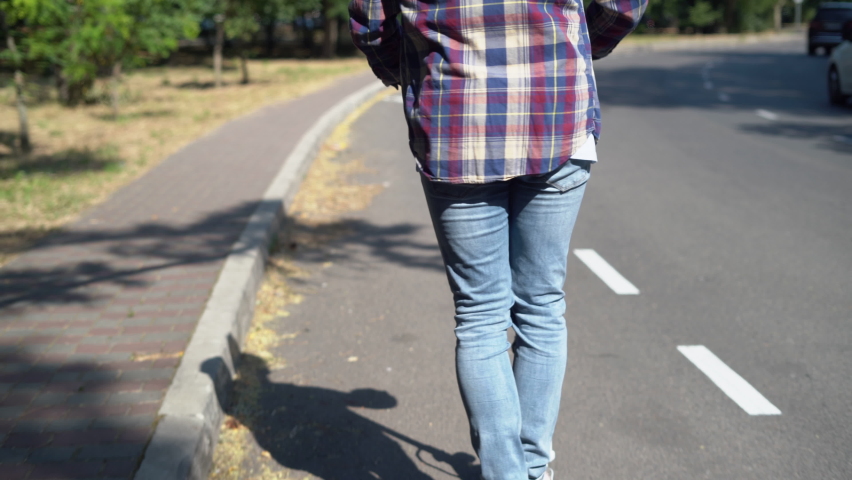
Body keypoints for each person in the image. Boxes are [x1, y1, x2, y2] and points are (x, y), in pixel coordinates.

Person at [348, 0, 647, 478]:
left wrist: (414, 73)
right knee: (542, 305)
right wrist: (569, 44)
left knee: (480, 314)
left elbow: (371, 22)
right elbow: (621, 5)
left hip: (454, 125)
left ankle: (507, 474)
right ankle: (533, 470)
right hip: (557, 112)